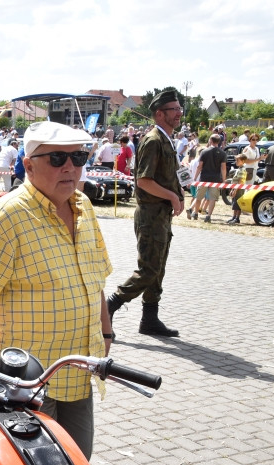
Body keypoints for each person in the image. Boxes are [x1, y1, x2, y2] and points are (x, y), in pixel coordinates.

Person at [0, 121, 113, 459]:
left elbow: (95, 280)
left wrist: (106, 331)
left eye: (78, 157)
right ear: (29, 165)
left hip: (78, 371)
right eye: (56, 158)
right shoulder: (8, 216)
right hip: (28, 383)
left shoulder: (83, 207)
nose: (69, 167)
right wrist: (0, 373)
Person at [106, 89, 185, 338]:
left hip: (161, 214)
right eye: (174, 109)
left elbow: (167, 175)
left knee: (158, 268)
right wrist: (172, 196)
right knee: (148, 269)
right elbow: (144, 181)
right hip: (151, 214)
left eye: (179, 108)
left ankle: (150, 318)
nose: (179, 113)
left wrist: (178, 191)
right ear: (160, 114)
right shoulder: (153, 140)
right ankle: (110, 305)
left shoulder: (166, 139)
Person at [191, 133, 227, 223]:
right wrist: (224, 180)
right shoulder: (222, 153)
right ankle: (208, 216)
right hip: (216, 179)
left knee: (199, 196)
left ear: (210, 140)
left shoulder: (204, 152)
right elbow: (223, 168)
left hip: (204, 178)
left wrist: (195, 178)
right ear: (219, 142)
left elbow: (200, 166)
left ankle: (195, 213)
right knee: (212, 199)